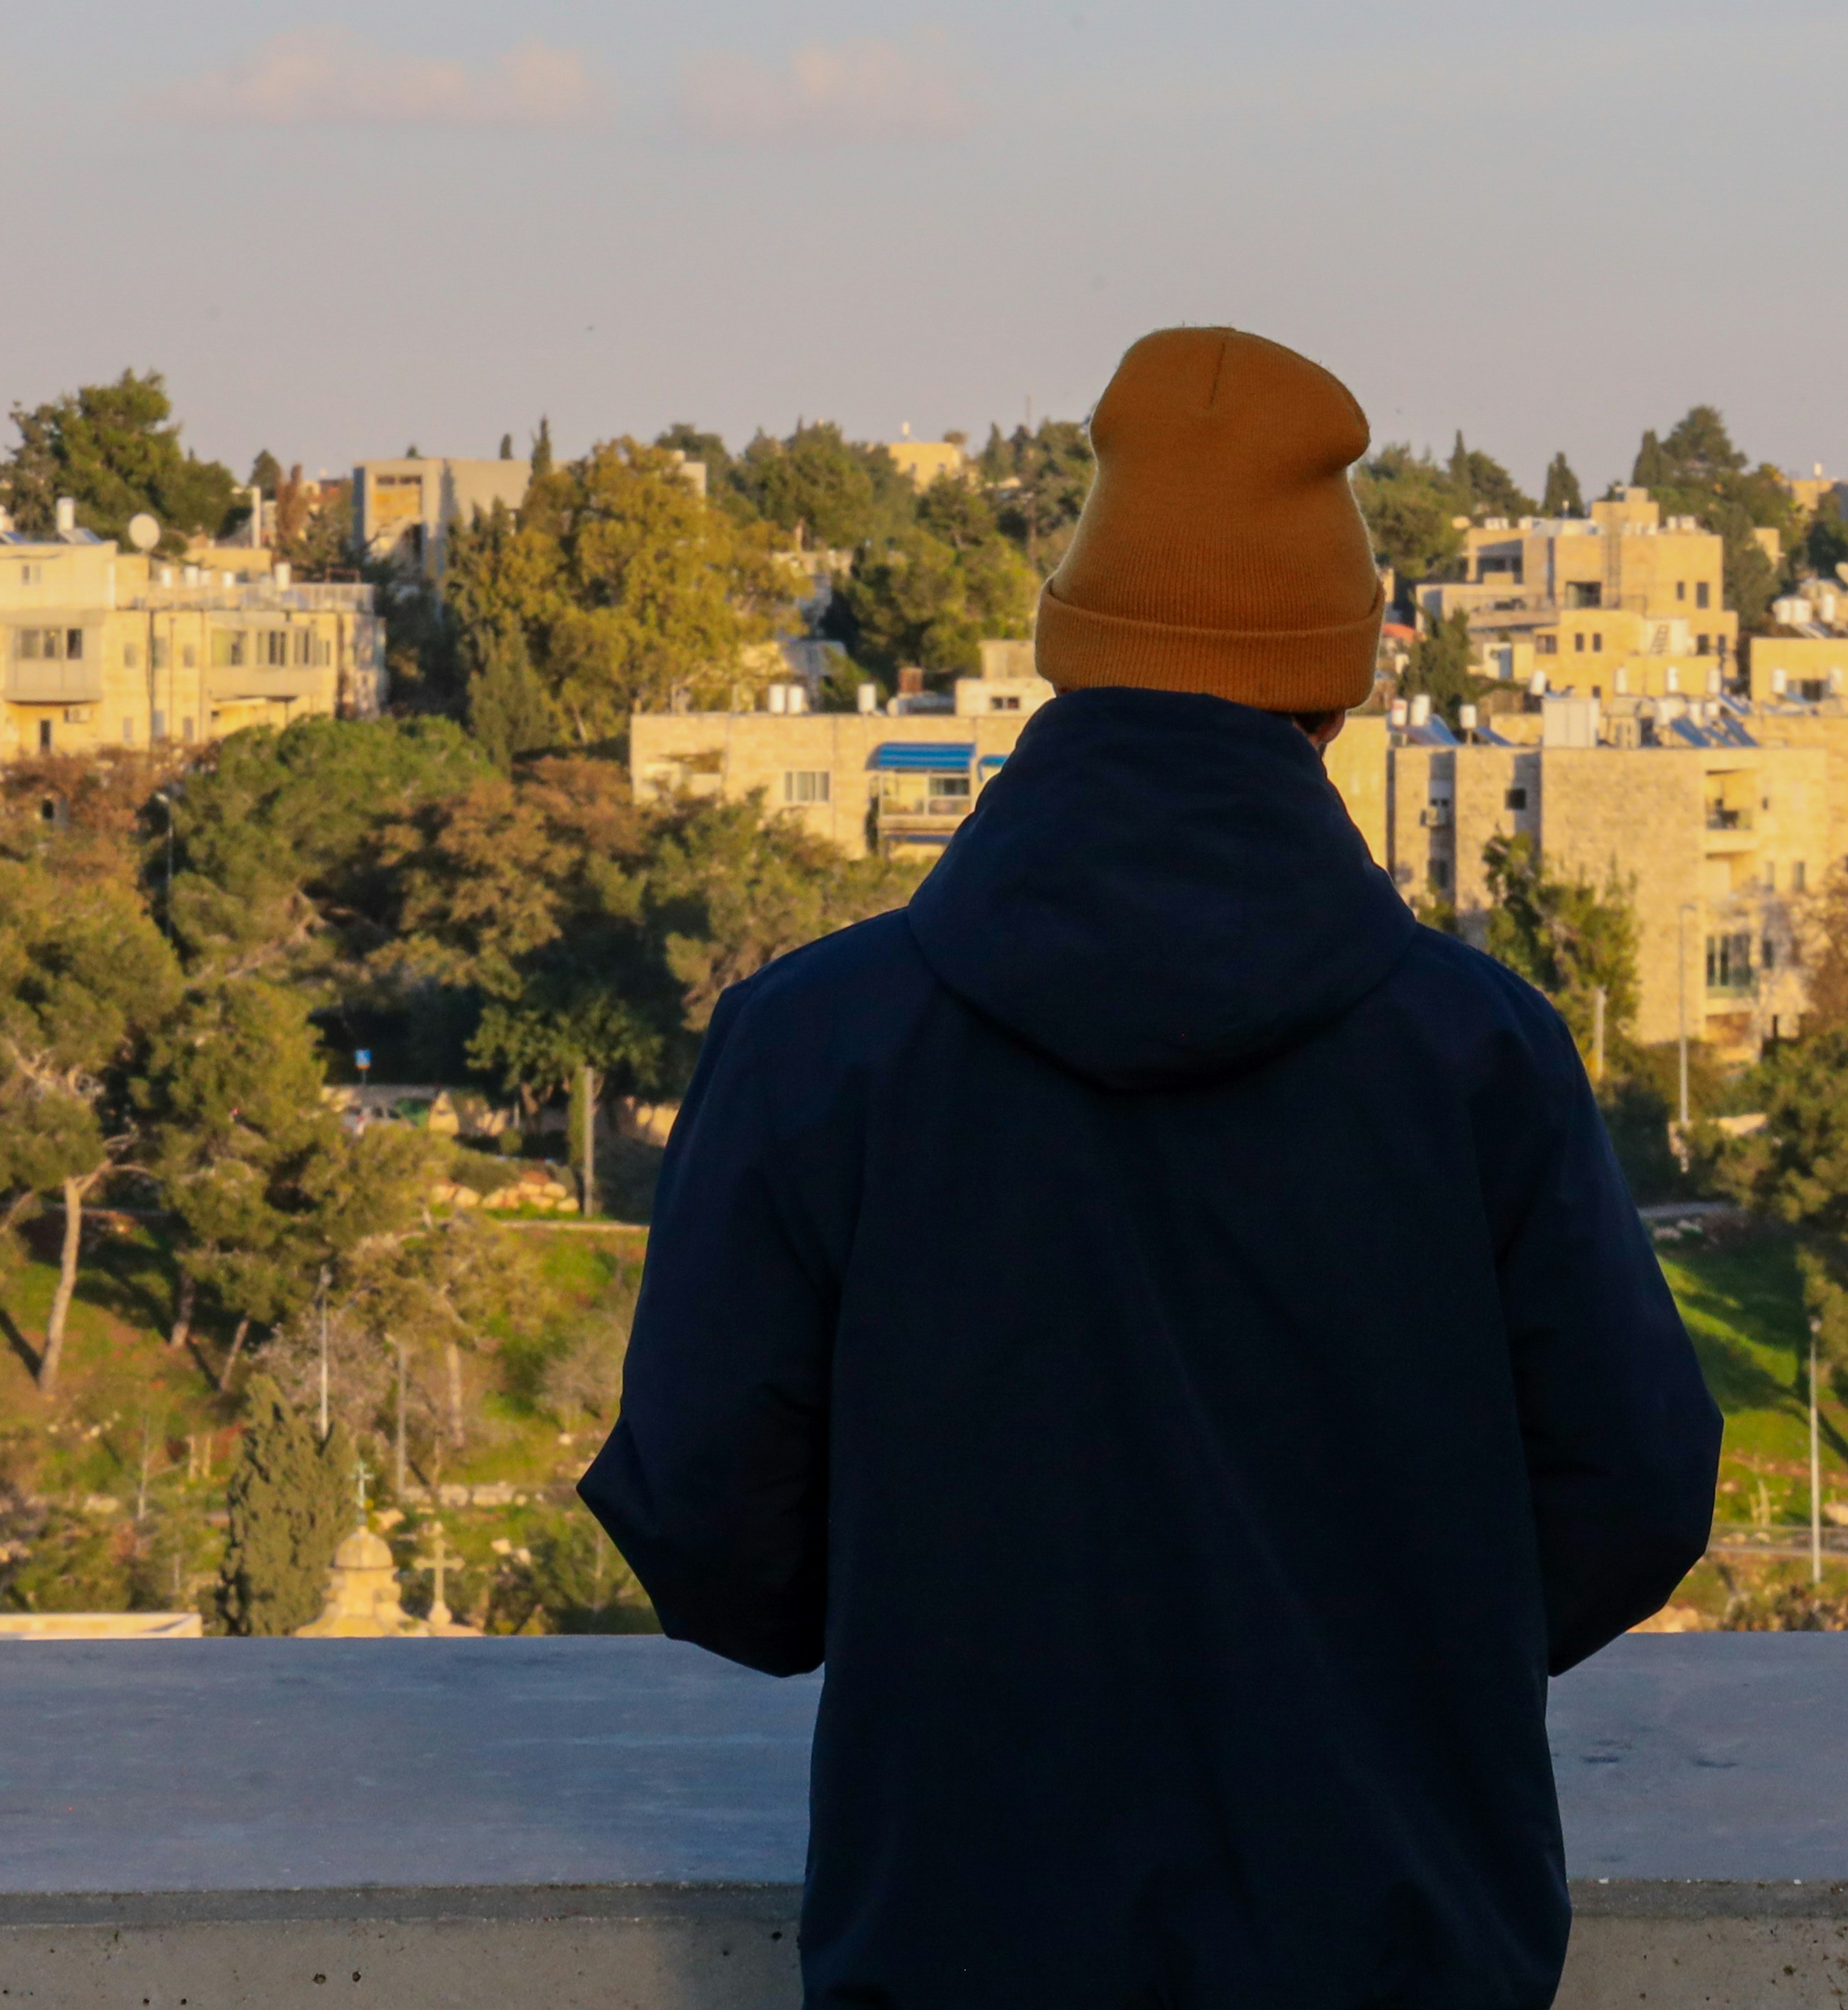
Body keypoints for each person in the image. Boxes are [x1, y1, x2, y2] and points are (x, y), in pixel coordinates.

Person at [584, 326, 1722, 2010]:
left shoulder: (820, 1048)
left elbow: (713, 1535)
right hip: (1397, 1941)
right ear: (1335, 685)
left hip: (956, 1941)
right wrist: (1381, 1638)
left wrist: (959, 1587)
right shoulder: (1474, 1060)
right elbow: (1631, 1490)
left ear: (1067, 656)